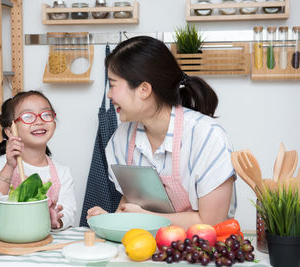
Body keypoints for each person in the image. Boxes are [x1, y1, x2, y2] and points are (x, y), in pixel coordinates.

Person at [87, 36, 236, 230]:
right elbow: (130, 206)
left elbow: (212, 222)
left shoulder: (207, 136)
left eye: (113, 84)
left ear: (144, 89)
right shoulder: (122, 139)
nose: (109, 95)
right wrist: (110, 220)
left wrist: (145, 218)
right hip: (148, 249)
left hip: (204, 251)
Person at [0, 90, 76, 230]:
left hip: (45, 240)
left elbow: (69, 211)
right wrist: (9, 166)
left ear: (54, 125)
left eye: (46, 114)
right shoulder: (0, 165)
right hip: (9, 240)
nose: (39, 121)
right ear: (10, 131)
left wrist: (57, 220)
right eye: (28, 116)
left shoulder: (62, 171)